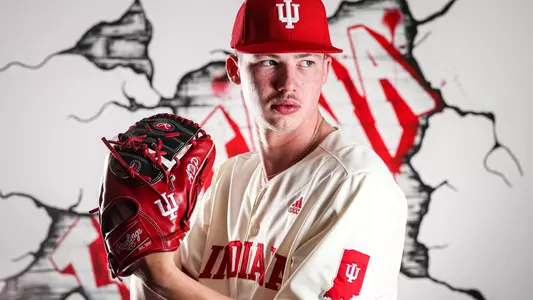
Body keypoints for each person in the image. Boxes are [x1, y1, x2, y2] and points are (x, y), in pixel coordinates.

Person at [129, 0, 408, 299]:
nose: (288, 84)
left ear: (326, 70)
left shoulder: (357, 183)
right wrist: (148, 259)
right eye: (269, 61)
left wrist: (163, 276)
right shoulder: (228, 178)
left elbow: (169, 281)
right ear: (235, 70)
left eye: (306, 62)